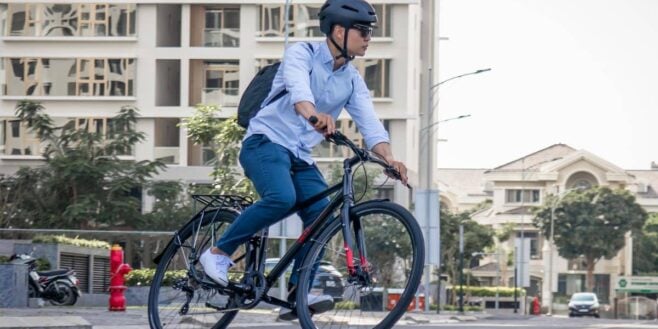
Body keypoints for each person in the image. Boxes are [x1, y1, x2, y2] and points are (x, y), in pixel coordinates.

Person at [199, 0, 408, 320]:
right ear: (339, 30)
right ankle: (218, 253)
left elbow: (369, 122)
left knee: (322, 213)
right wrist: (314, 116)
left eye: (371, 33)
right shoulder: (303, 54)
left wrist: (390, 159)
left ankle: (300, 290)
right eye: (364, 31)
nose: (369, 38)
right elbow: (298, 91)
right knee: (282, 197)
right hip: (264, 143)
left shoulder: (351, 79)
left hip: (298, 155)